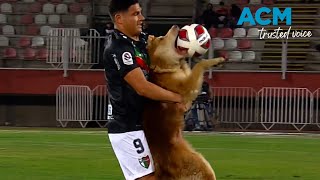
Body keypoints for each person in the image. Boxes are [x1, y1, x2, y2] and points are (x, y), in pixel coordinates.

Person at [103, 0, 187, 180]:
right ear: (119, 19)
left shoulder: (141, 40)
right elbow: (142, 87)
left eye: (140, 13)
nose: (141, 18)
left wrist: (185, 39)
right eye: (135, 14)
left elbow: (165, 46)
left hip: (148, 125)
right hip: (128, 127)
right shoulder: (118, 49)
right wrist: (176, 98)